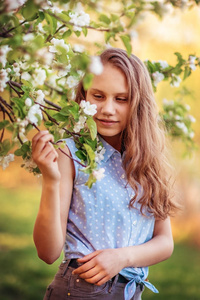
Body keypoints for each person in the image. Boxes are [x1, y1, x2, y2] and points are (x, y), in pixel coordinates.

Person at [32, 48, 177, 300]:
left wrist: (122, 258)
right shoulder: (71, 153)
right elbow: (48, 253)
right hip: (81, 290)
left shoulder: (147, 162)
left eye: (121, 99)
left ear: (138, 103)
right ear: (84, 96)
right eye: (98, 96)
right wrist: (51, 181)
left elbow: (165, 242)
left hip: (130, 293)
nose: (107, 109)